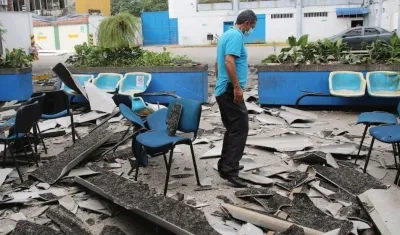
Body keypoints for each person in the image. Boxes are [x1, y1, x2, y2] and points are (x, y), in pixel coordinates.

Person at [214, 10, 257, 187]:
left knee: (233, 129)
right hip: (230, 89)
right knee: (240, 129)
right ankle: (230, 170)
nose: (251, 30)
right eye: (252, 27)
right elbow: (229, 62)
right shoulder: (236, 36)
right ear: (246, 23)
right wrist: (237, 87)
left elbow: (218, 63)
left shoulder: (226, 35)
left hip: (224, 88)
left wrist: (221, 82)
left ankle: (226, 167)